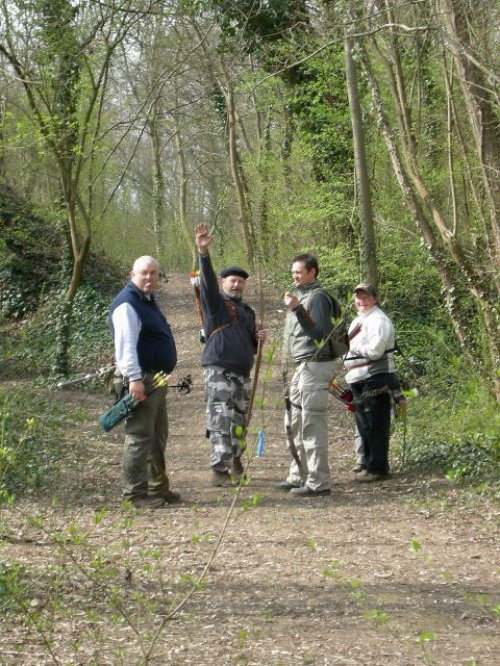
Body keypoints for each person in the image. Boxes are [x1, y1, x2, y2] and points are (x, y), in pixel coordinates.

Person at [194, 223, 267, 487]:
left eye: (240, 281)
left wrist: (257, 339)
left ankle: (235, 460)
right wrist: (203, 253)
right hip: (219, 370)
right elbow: (206, 282)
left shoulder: (247, 311)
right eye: (231, 280)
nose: (236, 284)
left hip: (242, 373)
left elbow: (247, 342)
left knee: (239, 418)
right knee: (220, 418)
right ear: (223, 283)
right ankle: (219, 469)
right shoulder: (216, 303)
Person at [109, 256, 180, 508]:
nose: (149, 277)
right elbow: (126, 347)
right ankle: (134, 495)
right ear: (132, 274)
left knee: (157, 435)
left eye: (153, 273)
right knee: (139, 435)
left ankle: (157, 487)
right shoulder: (127, 304)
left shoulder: (146, 300)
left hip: (154, 378)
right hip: (141, 379)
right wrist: (135, 379)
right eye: (144, 273)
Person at [277, 253, 341, 497]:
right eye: (293, 272)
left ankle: (318, 482)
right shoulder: (302, 295)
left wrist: (297, 309)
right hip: (302, 367)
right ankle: (299, 475)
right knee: (294, 422)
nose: (294, 276)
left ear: (312, 272)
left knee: (312, 423)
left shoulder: (318, 297)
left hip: (316, 365)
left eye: (299, 272)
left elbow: (319, 335)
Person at [344, 282, 399, 482]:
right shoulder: (359, 320)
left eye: (366, 297)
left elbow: (375, 351)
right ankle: (368, 464)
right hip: (358, 377)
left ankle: (378, 469)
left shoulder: (379, 320)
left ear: (375, 299)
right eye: (359, 297)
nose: (362, 301)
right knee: (364, 424)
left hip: (375, 376)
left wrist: (354, 349)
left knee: (376, 424)